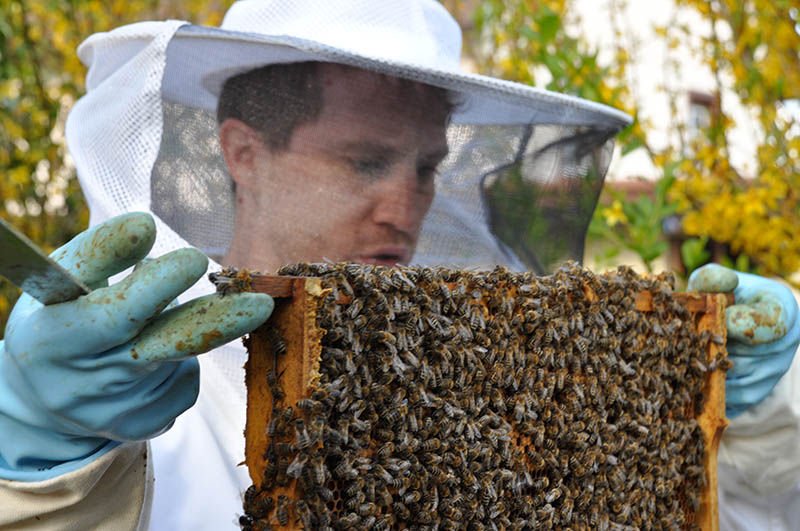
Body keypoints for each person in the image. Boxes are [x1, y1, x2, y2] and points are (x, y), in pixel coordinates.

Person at [0, 0, 798, 529]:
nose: (405, 207)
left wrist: (764, 423)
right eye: (362, 162)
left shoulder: (495, 380)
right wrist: (44, 474)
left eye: (423, 168)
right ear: (242, 151)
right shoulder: (134, 403)